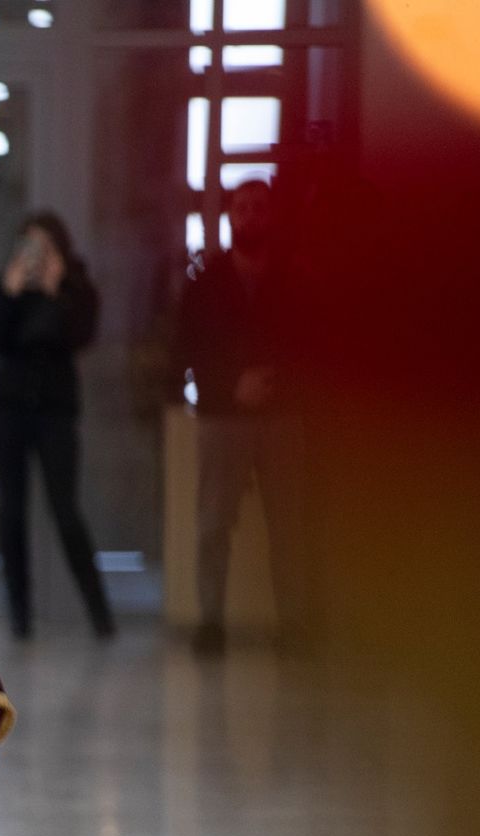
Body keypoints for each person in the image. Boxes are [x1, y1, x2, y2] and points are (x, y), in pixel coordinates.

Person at [173, 178, 303, 656]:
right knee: (213, 524)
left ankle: (293, 624)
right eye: (242, 207)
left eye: (259, 207)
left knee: (288, 526)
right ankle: (211, 623)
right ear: (230, 216)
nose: (250, 215)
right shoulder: (206, 282)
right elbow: (189, 347)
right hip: (221, 416)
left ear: (272, 215)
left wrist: (274, 384)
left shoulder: (293, 279)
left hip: (281, 415)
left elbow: (310, 346)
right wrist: (232, 385)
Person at [0, 211, 114, 640]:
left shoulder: (75, 290)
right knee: (10, 511)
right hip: (9, 408)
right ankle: (20, 615)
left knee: (65, 510)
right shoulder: (9, 285)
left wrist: (55, 291)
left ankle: (100, 614)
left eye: (45, 248)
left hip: (54, 410)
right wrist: (9, 292)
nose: (36, 256)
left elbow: (80, 336)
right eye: (29, 247)